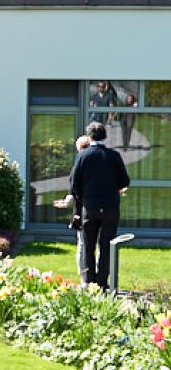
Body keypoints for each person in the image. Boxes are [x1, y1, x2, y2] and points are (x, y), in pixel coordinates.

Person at [70, 122, 130, 289]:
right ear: (105, 136)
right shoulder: (114, 156)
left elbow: (74, 184)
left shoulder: (83, 156)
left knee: (88, 246)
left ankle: (90, 282)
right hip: (110, 207)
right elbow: (125, 181)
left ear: (90, 137)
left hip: (90, 207)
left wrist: (83, 197)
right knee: (106, 245)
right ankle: (102, 283)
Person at [53, 135, 92, 285]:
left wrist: (67, 201)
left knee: (82, 245)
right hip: (86, 209)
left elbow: (73, 189)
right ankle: (88, 279)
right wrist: (67, 200)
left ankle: (84, 280)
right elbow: (72, 190)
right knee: (87, 244)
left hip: (82, 211)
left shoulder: (78, 166)